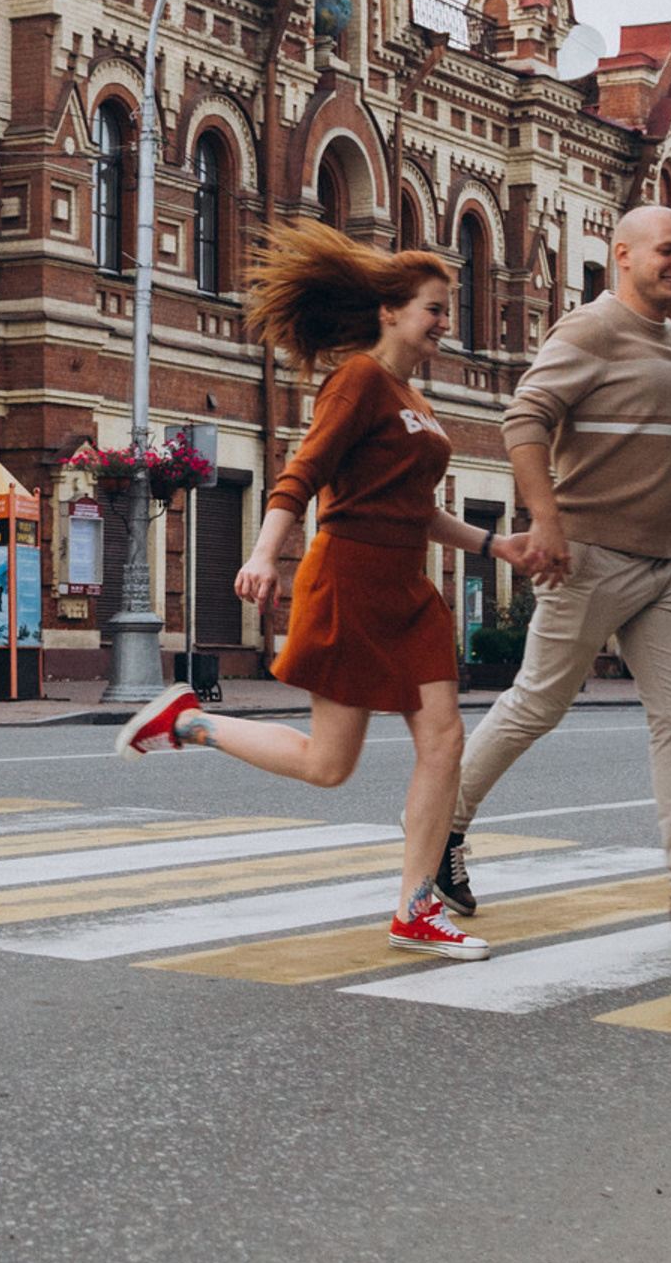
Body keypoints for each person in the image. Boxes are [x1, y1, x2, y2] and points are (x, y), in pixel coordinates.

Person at [117, 226, 542, 961]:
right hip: (348, 578)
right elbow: (302, 473)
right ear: (390, 311)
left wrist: (490, 545)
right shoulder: (358, 380)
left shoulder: (414, 396)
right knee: (329, 766)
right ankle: (190, 724)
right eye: (434, 310)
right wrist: (262, 555)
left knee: (444, 742)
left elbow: (411, 507)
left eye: (447, 311)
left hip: (408, 589)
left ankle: (415, 910)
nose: (446, 323)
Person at [430, 204, 671, 937]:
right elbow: (524, 420)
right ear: (622, 255)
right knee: (537, 704)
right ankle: (438, 831)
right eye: (666, 251)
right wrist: (549, 523)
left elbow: (651, 431)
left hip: (666, 564)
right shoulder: (591, 328)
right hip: (589, 555)